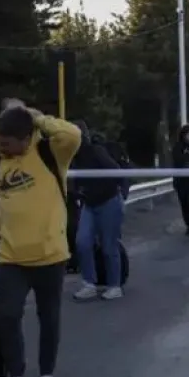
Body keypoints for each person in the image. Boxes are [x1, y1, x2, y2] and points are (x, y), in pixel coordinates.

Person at [0, 103, 81, 377]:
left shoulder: (50, 152)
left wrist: (37, 117)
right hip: (10, 255)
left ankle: (47, 376)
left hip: (50, 254)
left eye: (6, 143)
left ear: (25, 137)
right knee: (6, 315)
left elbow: (73, 134)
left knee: (49, 318)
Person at [71, 128, 125, 302]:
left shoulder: (96, 150)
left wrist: (121, 193)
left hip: (109, 201)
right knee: (82, 242)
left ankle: (114, 285)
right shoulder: (70, 155)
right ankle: (89, 283)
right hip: (89, 203)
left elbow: (115, 170)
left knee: (109, 246)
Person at [171, 124, 189, 235]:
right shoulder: (178, 147)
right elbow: (178, 161)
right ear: (183, 136)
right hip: (181, 182)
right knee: (184, 204)